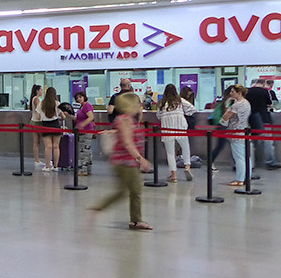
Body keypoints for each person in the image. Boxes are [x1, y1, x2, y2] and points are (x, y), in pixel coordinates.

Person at [89, 92, 153, 230]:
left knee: (125, 191)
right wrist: (140, 159)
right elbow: (128, 143)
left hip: (127, 162)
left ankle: (101, 209)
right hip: (126, 162)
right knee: (135, 190)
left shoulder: (127, 120)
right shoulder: (124, 121)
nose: (140, 107)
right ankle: (135, 220)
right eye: (137, 105)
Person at [156, 83, 196, 182]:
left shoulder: (161, 103)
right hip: (180, 127)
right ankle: (187, 167)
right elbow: (192, 109)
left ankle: (173, 175)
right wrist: (184, 113)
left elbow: (158, 116)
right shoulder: (180, 101)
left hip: (167, 129)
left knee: (170, 152)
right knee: (185, 147)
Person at [222, 84, 254, 187]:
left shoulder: (236, 105)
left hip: (235, 132)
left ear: (239, 93)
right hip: (244, 131)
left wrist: (227, 106)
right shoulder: (247, 103)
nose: (230, 94)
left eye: (232, 92)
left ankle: (240, 179)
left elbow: (225, 117)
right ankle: (247, 177)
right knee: (246, 156)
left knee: (239, 157)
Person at [246, 79, 281, 170]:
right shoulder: (265, 91)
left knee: (251, 143)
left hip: (251, 119)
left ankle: (250, 163)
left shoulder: (247, 91)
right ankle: (270, 162)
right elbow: (270, 104)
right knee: (268, 141)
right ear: (263, 84)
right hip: (264, 118)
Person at [37, 86, 62, 171]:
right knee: (56, 146)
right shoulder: (57, 103)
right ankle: (56, 166)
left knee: (48, 147)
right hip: (55, 124)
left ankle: (47, 166)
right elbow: (62, 115)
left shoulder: (42, 104)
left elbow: (38, 116)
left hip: (45, 125)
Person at [74, 91, 95, 176]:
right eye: (77, 98)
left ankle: (83, 170)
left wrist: (83, 124)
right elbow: (78, 118)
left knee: (84, 151)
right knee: (87, 150)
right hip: (82, 131)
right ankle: (88, 169)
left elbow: (91, 117)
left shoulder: (87, 106)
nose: (79, 99)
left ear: (84, 97)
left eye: (80, 97)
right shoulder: (81, 107)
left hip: (87, 130)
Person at [29, 84, 44, 168]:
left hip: (33, 121)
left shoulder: (34, 99)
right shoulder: (37, 99)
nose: (42, 92)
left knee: (36, 142)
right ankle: (38, 160)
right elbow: (39, 111)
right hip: (37, 122)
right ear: (37, 91)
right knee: (39, 141)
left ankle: (37, 160)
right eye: (41, 90)